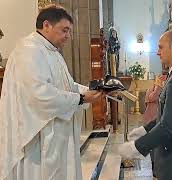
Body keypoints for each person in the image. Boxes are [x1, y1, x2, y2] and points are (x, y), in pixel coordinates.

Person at [0, 5, 103, 180]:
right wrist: (79, 98)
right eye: (64, 30)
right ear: (46, 25)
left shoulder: (51, 52)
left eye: (69, 31)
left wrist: (90, 91)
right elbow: (38, 94)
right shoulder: (29, 50)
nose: (68, 36)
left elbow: (66, 86)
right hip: (39, 141)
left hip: (55, 135)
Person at [118, 30, 172, 180]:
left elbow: (169, 126)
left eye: (160, 47)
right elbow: (167, 114)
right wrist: (145, 129)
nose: (157, 52)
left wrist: (137, 147)